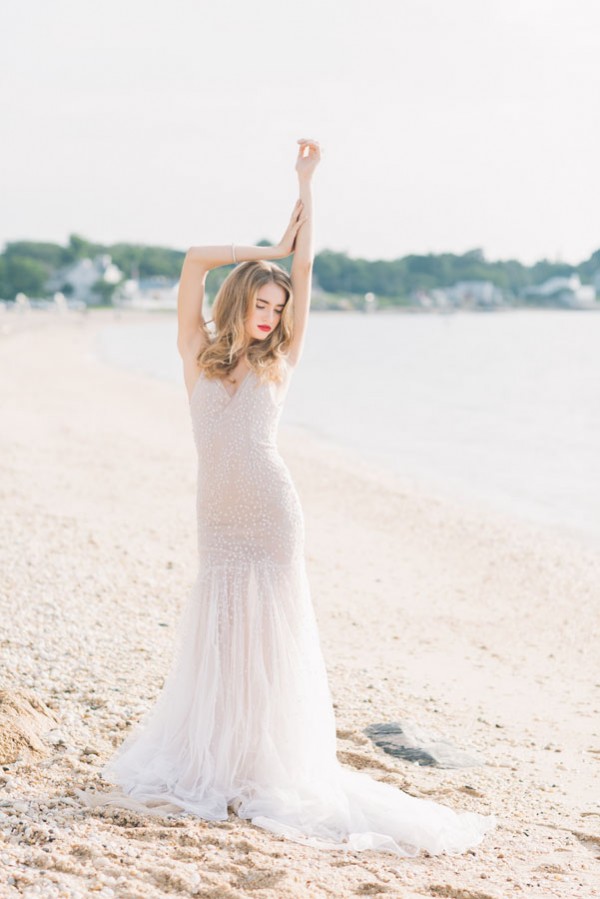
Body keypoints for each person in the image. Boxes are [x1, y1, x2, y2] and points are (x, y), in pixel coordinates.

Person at [80, 138, 496, 856]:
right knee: (222, 636)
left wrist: (306, 190)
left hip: (272, 516)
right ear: (242, 300)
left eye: (279, 305)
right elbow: (190, 261)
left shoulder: (284, 358)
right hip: (216, 519)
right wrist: (266, 243)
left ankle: (263, 765)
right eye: (263, 302)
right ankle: (226, 762)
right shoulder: (196, 352)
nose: (272, 314)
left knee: (268, 644)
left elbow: (307, 267)